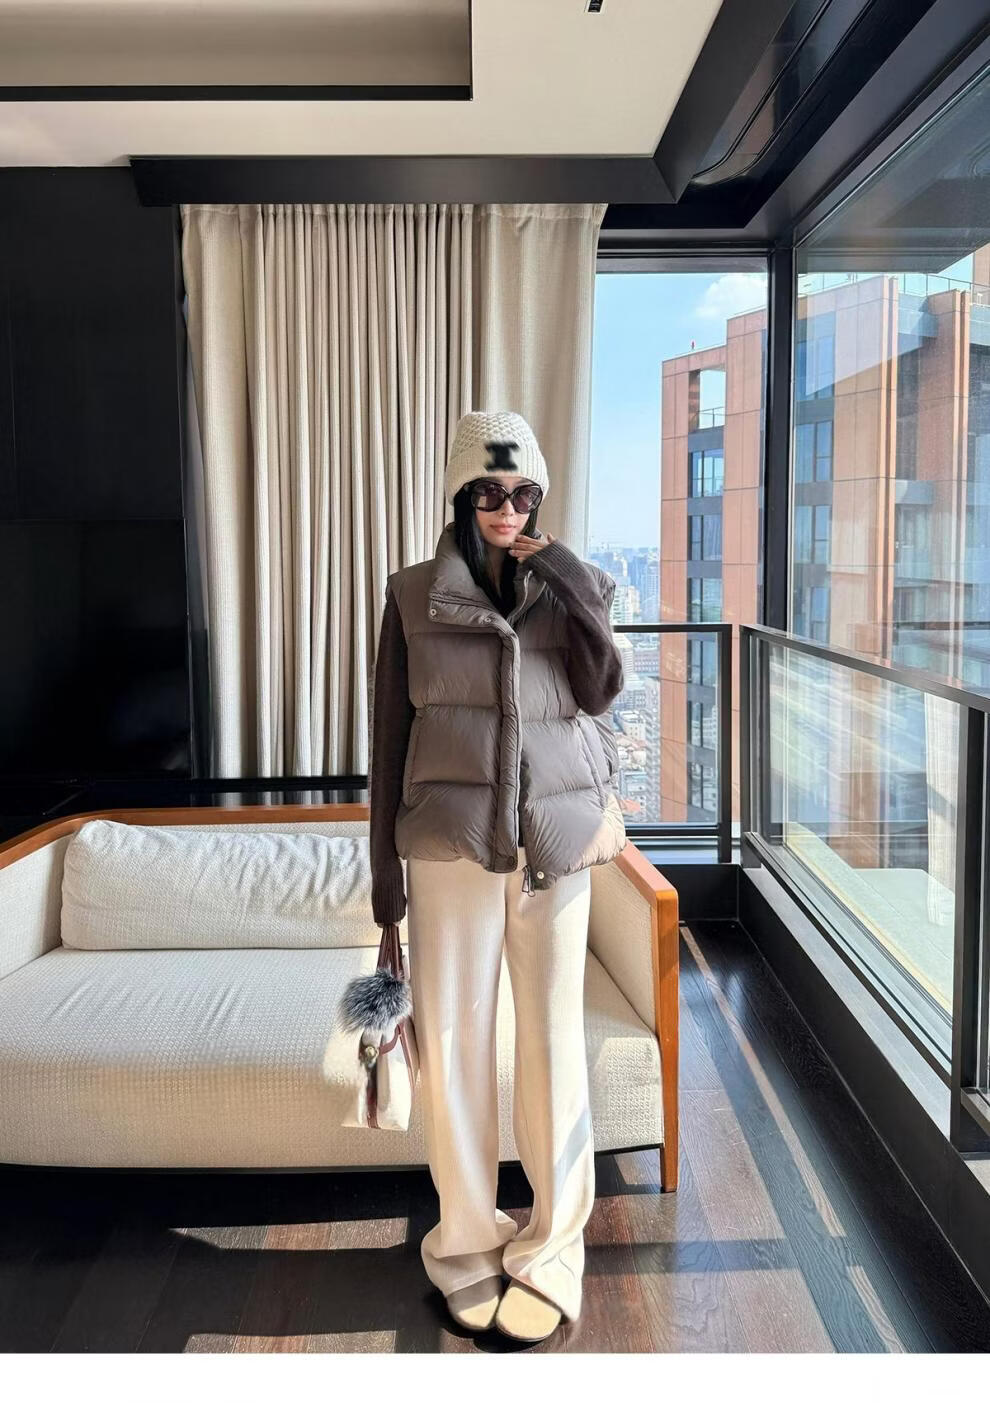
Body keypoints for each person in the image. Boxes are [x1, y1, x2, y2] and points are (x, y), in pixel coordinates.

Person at [368, 409, 627, 1342]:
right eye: (488, 490)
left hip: (554, 845)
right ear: (460, 494)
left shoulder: (578, 585)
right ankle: (467, 1239)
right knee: (454, 1045)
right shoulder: (411, 595)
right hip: (449, 848)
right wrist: (384, 884)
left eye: (522, 491)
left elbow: (602, 689)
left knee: (554, 1044)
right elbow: (388, 741)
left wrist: (565, 577)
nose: (506, 507)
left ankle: (553, 1246)